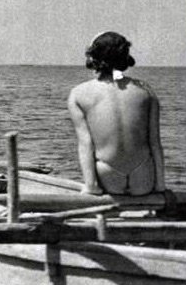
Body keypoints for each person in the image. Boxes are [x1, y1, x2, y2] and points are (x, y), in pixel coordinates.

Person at [68, 31, 165, 196]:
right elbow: (155, 143)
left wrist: (91, 186)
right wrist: (160, 186)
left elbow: (86, 145)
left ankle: (92, 185)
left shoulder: (78, 93)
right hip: (143, 179)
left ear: (93, 58)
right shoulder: (146, 91)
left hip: (109, 177)